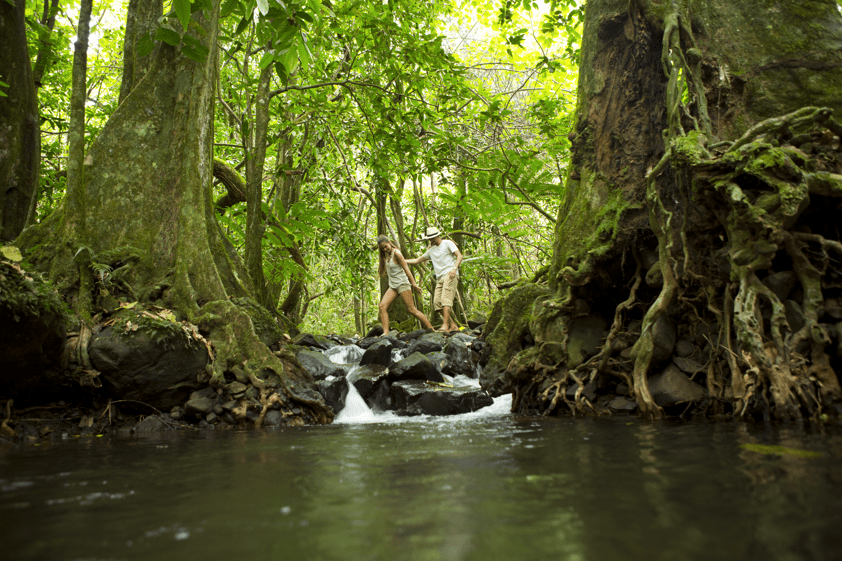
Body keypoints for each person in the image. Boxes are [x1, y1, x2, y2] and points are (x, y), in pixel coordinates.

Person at [405, 226, 463, 332]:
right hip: (440, 277)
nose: (432, 240)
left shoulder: (447, 243)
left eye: (433, 238)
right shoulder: (431, 251)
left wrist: (454, 269)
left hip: (450, 274)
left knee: (446, 300)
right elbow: (418, 260)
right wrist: (402, 261)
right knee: (437, 303)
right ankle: (453, 325)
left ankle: (445, 325)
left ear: (437, 236)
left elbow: (459, 256)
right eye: (430, 239)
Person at [376, 235, 433, 336]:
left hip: (402, 284)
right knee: (382, 306)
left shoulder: (396, 253)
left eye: (386, 246)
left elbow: (406, 268)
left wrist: (414, 284)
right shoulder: (385, 255)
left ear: (389, 242)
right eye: (383, 248)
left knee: (411, 310)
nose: (385, 249)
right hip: (393, 286)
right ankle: (386, 333)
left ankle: (431, 329)